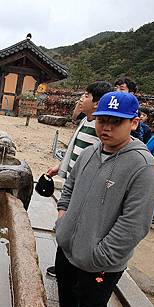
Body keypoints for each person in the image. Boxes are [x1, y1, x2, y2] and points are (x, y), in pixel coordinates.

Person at [54, 91, 154, 307]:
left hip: (100, 262)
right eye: (102, 120)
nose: (106, 128)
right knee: (66, 288)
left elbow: (134, 224)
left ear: (134, 123)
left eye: (116, 122)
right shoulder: (90, 151)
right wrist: (63, 219)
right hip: (69, 245)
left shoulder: (143, 167)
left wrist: (98, 255)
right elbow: (70, 186)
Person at [46, 81, 112, 277]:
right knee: (65, 223)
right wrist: (60, 166)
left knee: (72, 224)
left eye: (86, 95)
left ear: (97, 103)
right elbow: (74, 149)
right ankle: (63, 267)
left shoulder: (100, 129)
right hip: (73, 181)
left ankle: (70, 268)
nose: (81, 98)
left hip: (85, 185)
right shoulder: (86, 121)